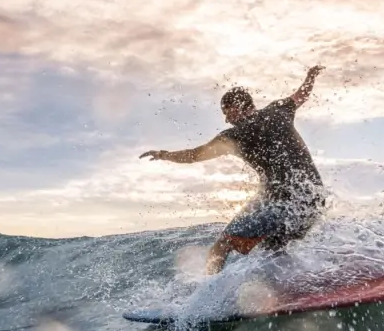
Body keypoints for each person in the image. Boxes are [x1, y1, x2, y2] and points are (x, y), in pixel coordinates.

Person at [139, 65, 326, 275]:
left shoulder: (233, 136)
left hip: (282, 204)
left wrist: (164, 154)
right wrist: (310, 76)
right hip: (312, 200)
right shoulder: (279, 109)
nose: (226, 119)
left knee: (219, 247)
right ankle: (293, 281)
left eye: (227, 113)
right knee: (272, 248)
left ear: (238, 106)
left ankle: (208, 296)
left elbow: (194, 155)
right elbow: (302, 94)